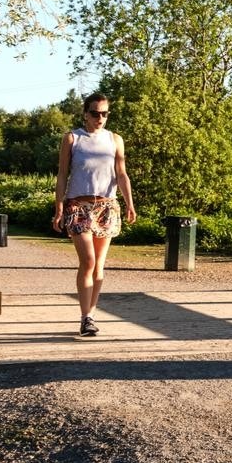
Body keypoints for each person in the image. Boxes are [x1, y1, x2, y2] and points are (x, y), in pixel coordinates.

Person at [52, 93, 137, 335]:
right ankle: (85, 316)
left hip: (106, 206)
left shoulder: (115, 140)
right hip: (78, 206)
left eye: (104, 113)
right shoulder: (72, 138)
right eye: (95, 113)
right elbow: (62, 174)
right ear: (85, 114)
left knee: (99, 264)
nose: (100, 118)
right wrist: (58, 207)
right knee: (87, 261)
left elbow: (121, 173)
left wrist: (129, 203)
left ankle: (90, 316)